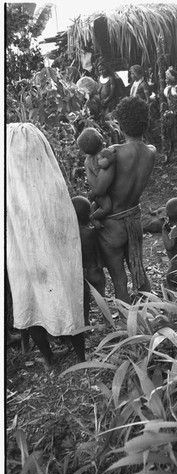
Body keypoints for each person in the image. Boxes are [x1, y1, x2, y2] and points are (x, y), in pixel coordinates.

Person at [6, 123, 86, 369]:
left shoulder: (10, 190)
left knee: (30, 299)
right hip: (57, 255)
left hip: (25, 255)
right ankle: (81, 356)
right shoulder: (52, 185)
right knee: (67, 295)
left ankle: (49, 359)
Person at [87, 96, 156, 304]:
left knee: (119, 279)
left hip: (112, 224)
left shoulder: (114, 153)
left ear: (121, 123)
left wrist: (87, 166)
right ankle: (152, 314)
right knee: (138, 270)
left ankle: (130, 330)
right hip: (134, 219)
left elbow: (99, 188)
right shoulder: (151, 152)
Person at [71, 196, 106, 325]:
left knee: (84, 300)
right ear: (88, 215)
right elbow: (99, 250)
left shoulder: (71, 234)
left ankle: (85, 322)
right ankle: (107, 320)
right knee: (102, 297)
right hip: (95, 270)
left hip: (81, 273)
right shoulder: (91, 233)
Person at [77, 127, 115, 228]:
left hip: (93, 189)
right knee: (107, 207)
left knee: (97, 203)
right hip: (99, 190)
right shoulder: (102, 154)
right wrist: (111, 155)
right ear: (101, 139)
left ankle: (93, 210)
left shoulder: (88, 160)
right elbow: (106, 164)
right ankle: (93, 217)